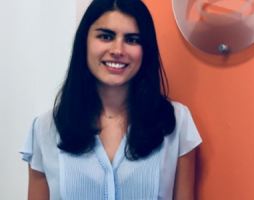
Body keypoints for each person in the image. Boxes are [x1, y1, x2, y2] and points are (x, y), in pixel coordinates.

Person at [19, 0, 202, 199]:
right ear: (85, 42)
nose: (118, 50)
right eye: (106, 36)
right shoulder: (45, 128)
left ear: (145, 50)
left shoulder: (177, 122)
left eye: (132, 39)